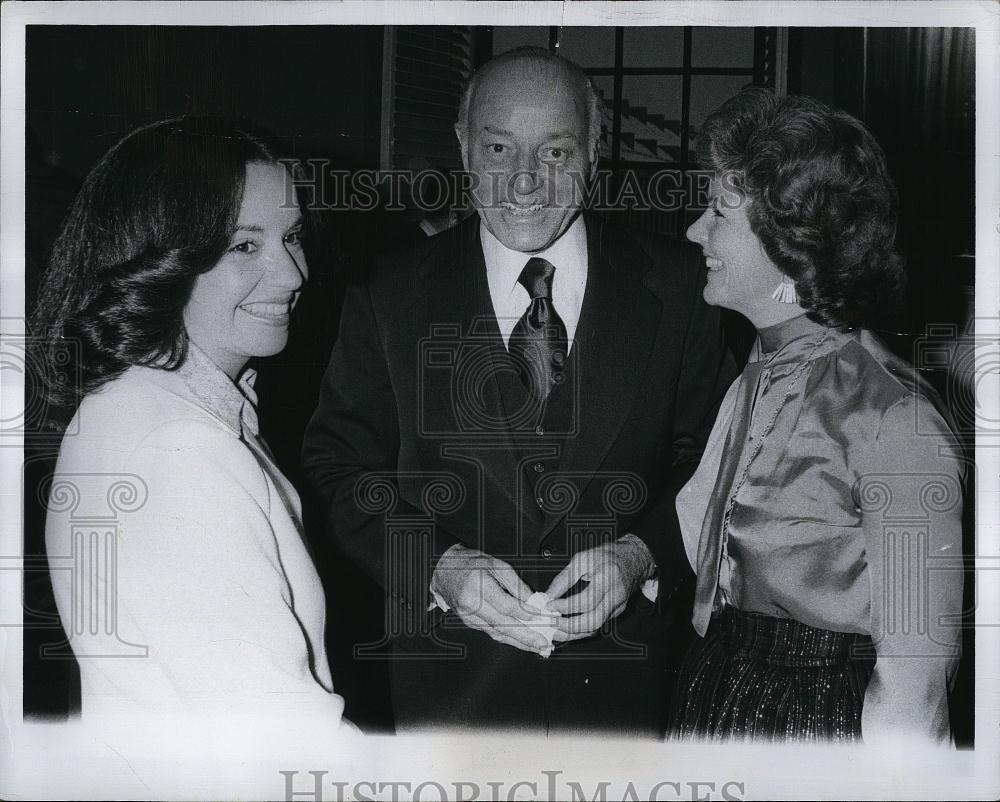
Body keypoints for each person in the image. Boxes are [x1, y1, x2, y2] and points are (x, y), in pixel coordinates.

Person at [302, 47, 733, 735]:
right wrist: (437, 567)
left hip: (625, 693)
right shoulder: (388, 293)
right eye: (499, 147)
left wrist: (641, 555)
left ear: (596, 150)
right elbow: (339, 468)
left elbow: (713, 461)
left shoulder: (683, 288)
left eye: (557, 152)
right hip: (449, 696)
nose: (526, 182)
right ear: (463, 145)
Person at [33, 117, 348, 729]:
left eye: (292, 237)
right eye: (245, 245)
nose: (293, 275)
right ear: (163, 258)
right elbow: (286, 742)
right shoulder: (179, 450)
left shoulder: (142, 404)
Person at [669, 89, 964, 744]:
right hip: (720, 692)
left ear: (787, 233)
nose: (695, 230)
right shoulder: (759, 372)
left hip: (817, 726)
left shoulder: (894, 423)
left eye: (718, 211)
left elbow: (915, 688)